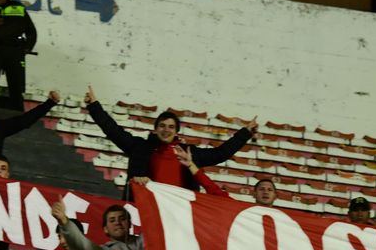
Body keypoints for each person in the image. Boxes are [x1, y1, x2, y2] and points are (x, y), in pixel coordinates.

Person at [84, 85, 257, 199]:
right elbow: (113, 130)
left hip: (178, 214)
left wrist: (245, 133)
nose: (166, 130)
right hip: (145, 212)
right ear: (155, 129)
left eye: (171, 127)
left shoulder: (189, 153)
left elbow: (222, 153)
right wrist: (94, 106)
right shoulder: (139, 147)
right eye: (162, 126)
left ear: (176, 131)